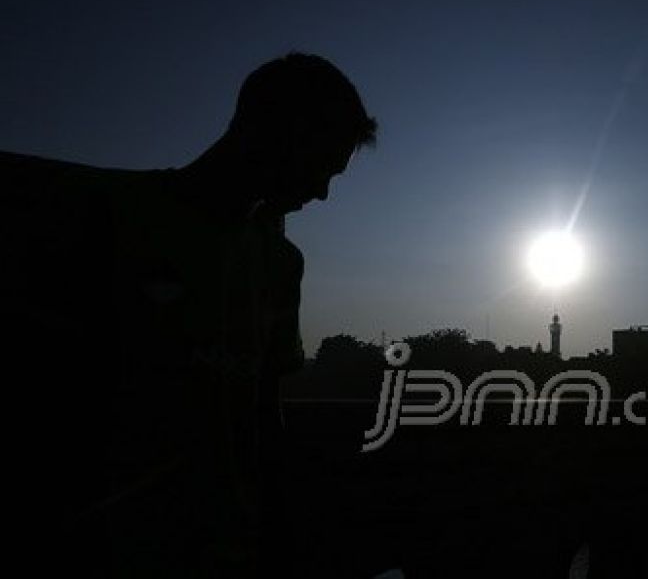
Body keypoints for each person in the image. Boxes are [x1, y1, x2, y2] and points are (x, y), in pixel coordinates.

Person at [5, 52, 376, 576]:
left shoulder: (279, 264)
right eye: (323, 166)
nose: (322, 191)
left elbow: (264, 414)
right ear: (280, 133)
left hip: (229, 545)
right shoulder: (110, 216)